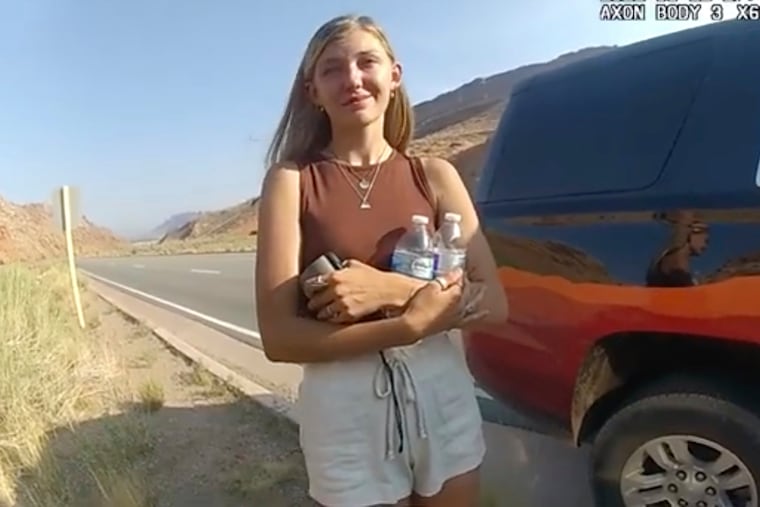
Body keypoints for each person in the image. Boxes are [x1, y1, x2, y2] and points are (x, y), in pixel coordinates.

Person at [255, 13, 509, 507]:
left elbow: (494, 301)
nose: (352, 78)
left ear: (394, 75)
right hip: (346, 413)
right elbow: (279, 337)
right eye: (331, 69)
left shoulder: (434, 176)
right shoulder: (292, 181)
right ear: (313, 90)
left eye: (366, 61)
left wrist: (393, 291)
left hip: (444, 398)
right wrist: (406, 325)